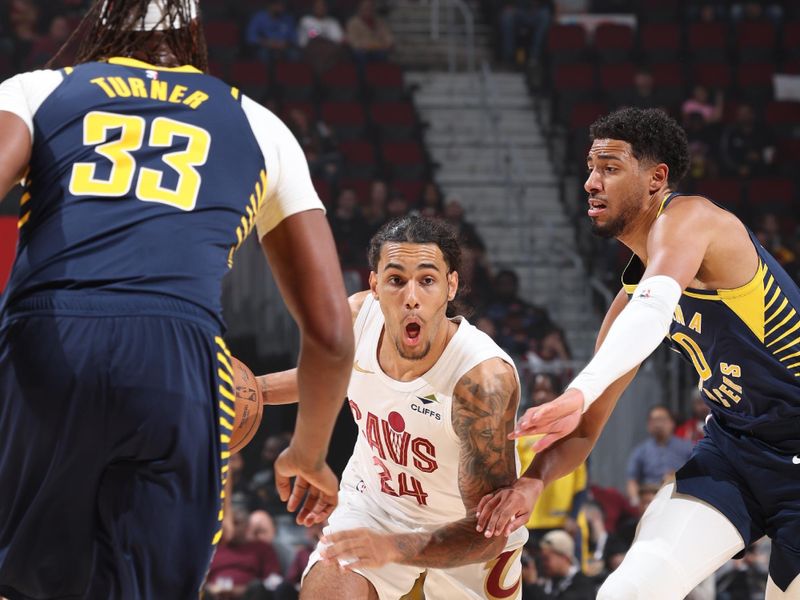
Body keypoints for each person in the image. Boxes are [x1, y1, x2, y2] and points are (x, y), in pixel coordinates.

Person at [0, 1, 354, 598]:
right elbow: (331, 335)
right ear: (192, 31)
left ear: (103, 25)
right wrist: (309, 452)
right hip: (177, 358)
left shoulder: (38, 91)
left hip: (51, 336)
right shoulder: (260, 125)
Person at [476, 107, 800, 599]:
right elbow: (585, 429)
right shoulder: (631, 296)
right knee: (625, 593)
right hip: (736, 455)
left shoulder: (695, 218)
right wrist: (533, 480)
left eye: (609, 168)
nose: (590, 182)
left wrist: (579, 390)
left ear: (656, 178)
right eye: (589, 168)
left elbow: (655, 311)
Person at [259, 216, 529, 599]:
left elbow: (487, 533)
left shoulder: (482, 381)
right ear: (374, 285)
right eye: (396, 280)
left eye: (427, 280)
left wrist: (393, 547)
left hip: (463, 540)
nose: (412, 297)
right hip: (374, 509)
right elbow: (317, 376)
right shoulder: (357, 318)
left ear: (451, 285)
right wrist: (253, 391)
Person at [625, 404, 692, 506]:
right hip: (650, 499)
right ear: (648, 425)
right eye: (654, 420)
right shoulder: (641, 451)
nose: (658, 424)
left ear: (672, 423)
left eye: (662, 420)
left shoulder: (688, 448)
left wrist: (677, 477)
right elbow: (632, 480)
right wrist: (636, 502)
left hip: (679, 496)